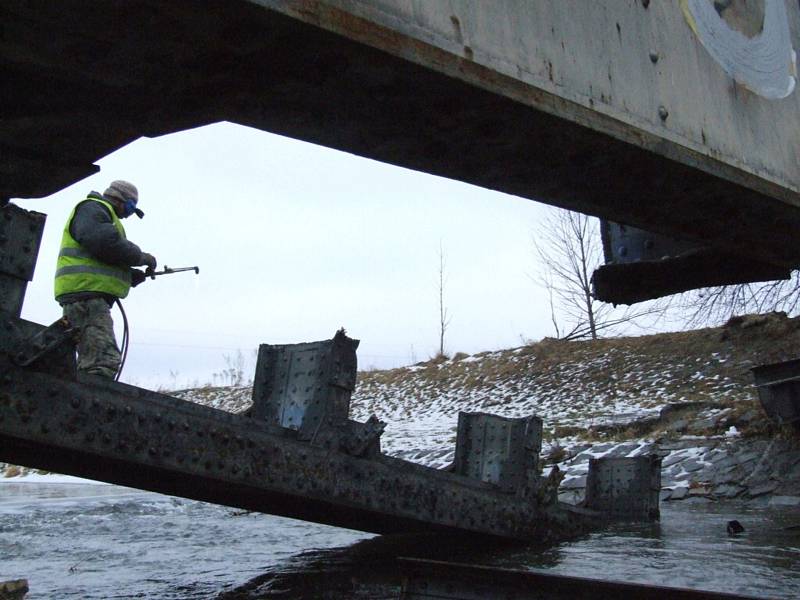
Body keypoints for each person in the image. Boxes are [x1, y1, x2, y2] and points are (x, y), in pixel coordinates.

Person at [54, 180, 157, 378]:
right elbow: (104, 242)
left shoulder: (101, 215)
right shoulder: (93, 209)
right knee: (102, 362)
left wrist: (127, 276)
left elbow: (102, 257)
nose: (128, 214)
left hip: (86, 296)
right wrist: (141, 257)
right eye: (130, 207)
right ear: (119, 199)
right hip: (85, 298)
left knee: (95, 360)